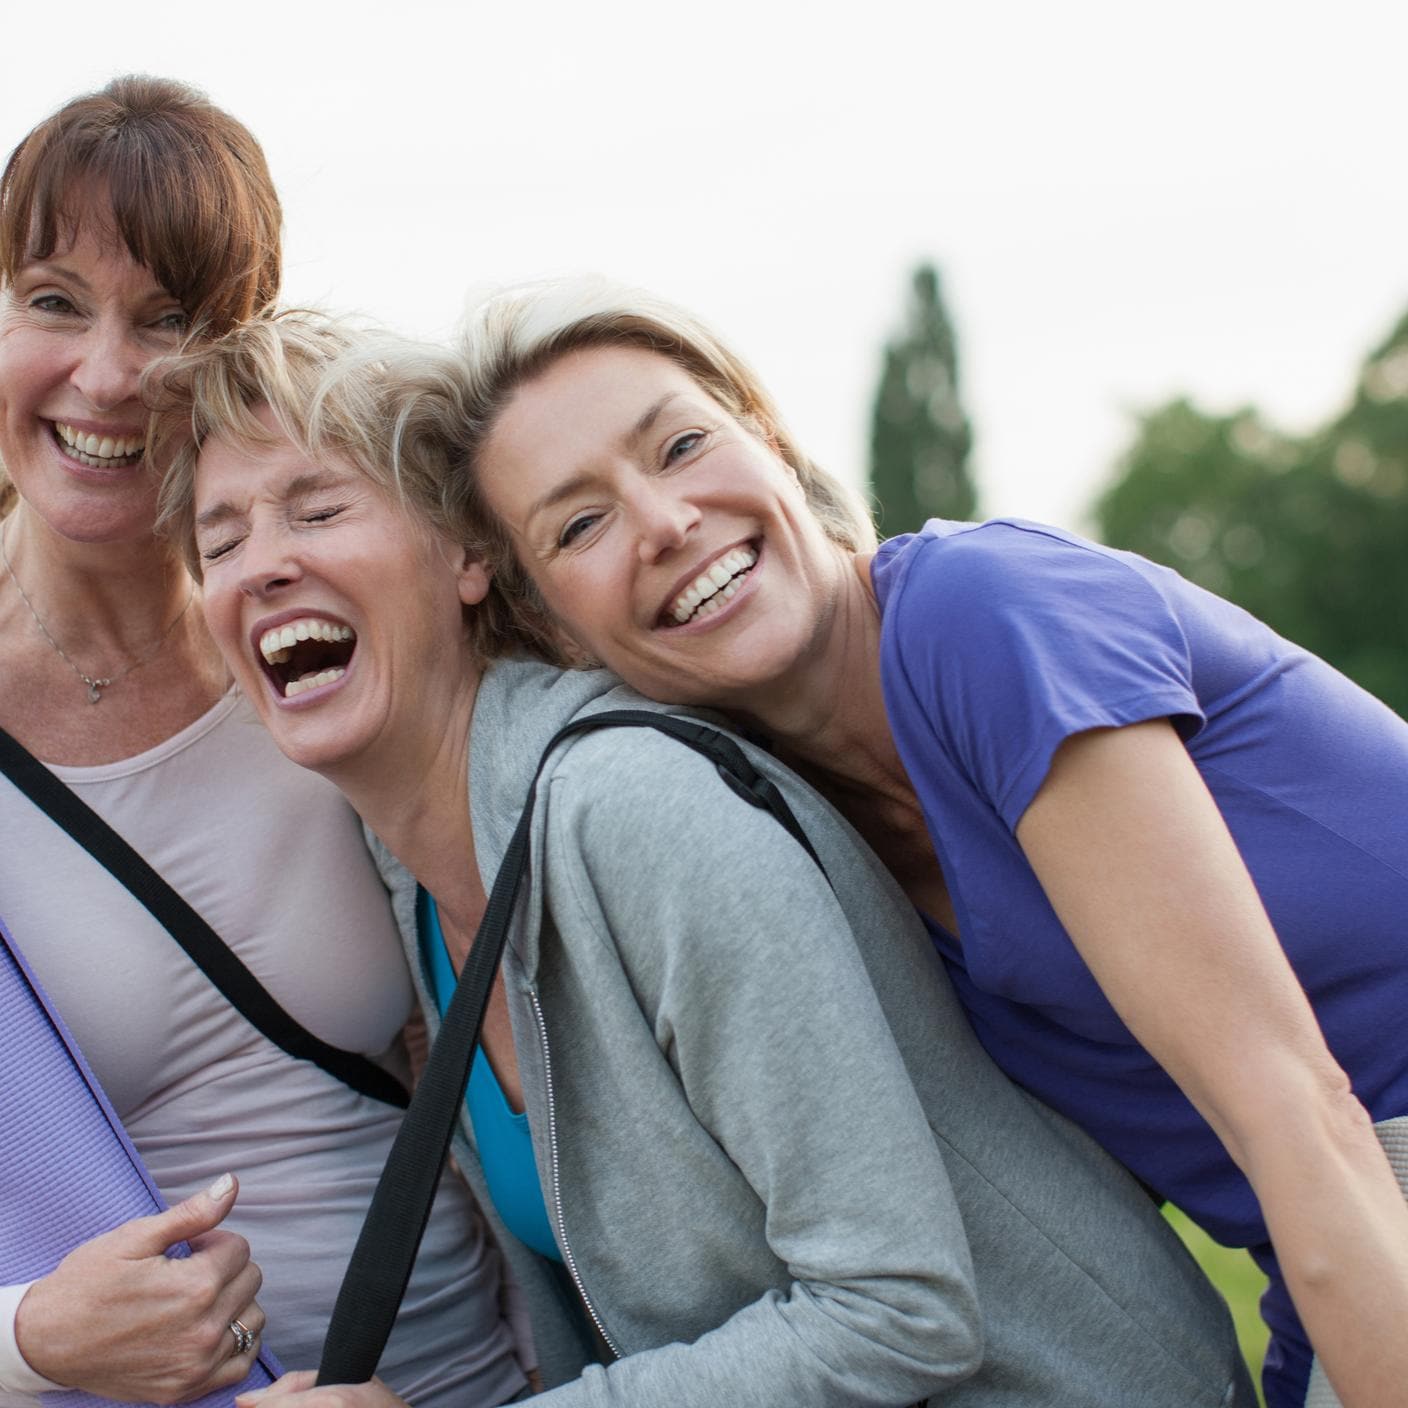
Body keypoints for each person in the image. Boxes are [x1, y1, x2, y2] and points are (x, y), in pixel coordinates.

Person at [151, 310, 1254, 1408]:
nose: (263, 567)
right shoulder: (414, 886)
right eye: (222, 540)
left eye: (317, 508)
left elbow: (899, 1309)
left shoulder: (631, 810)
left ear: (467, 557)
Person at [435, 276, 1408, 1408]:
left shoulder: (982, 616)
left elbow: (1301, 1116)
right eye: (581, 523)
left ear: (771, 438)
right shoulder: (786, 841)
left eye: (681, 444)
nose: (662, 523)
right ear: (551, 623)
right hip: (1330, 1264)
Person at [0, 79, 527, 1407]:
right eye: (54, 300)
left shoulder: (326, 637)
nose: (110, 373)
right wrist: (31, 1341)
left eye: (171, 320)